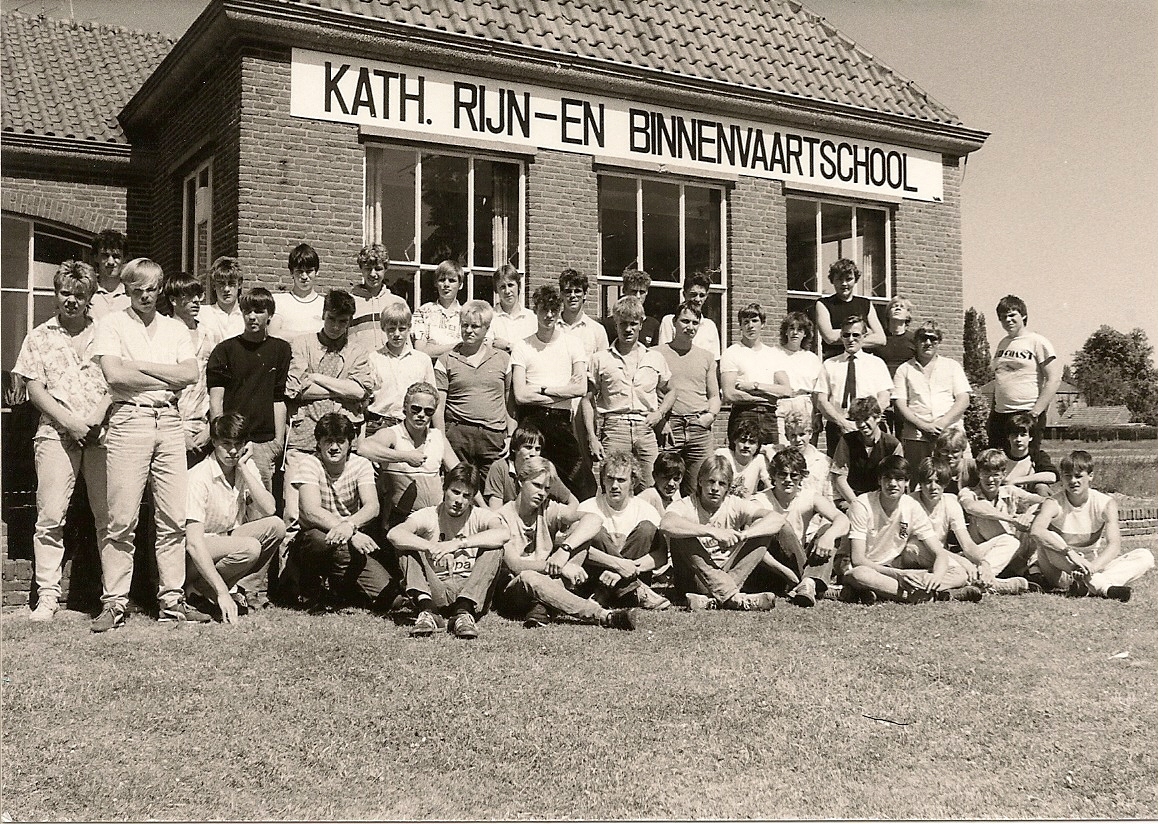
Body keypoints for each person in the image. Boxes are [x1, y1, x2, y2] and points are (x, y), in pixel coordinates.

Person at [91, 258, 207, 631]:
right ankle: (115, 602)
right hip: (129, 420)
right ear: (126, 289)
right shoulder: (111, 324)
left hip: (170, 422)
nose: (145, 295)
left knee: (173, 517)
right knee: (121, 517)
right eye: (137, 288)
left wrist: (139, 367)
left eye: (152, 288)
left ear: (161, 290)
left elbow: (188, 374)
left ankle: (172, 600)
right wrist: (164, 377)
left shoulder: (174, 329)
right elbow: (114, 374)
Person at [14, 261, 112, 621]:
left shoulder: (107, 334)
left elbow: (115, 383)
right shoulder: (40, 336)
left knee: (108, 518)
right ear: (56, 295)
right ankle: (48, 597)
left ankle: (113, 597)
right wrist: (70, 422)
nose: (71, 300)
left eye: (79, 294)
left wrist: (95, 419)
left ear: (90, 298)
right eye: (65, 293)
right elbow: (34, 389)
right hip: (56, 435)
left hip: (101, 434)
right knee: (51, 517)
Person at [496, 457, 636, 630]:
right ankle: (602, 615)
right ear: (520, 482)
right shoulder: (500, 517)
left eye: (547, 489)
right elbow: (516, 566)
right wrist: (561, 567)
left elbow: (593, 519)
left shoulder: (547, 508)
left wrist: (565, 549)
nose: (542, 493)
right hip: (514, 590)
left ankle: (542, 608)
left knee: (580, 535)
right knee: (529, 577)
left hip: (548, 581)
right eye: (536, 485)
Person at [283, 289, 378, 522]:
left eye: (342, 322)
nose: (336, 327)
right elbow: (295, 389)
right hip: (304, 437)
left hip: (342, 443)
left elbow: (360, 390)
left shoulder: (357, 351)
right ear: (323, 314)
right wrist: (344, 388)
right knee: (295, 513)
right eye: (331, 319)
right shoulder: (302, 344)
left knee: (342, 513)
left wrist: (317, 378)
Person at [285, 413, 396, 611]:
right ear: (318, 443)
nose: (334, 447)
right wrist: (350, 531)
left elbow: (372, 506)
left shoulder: (361, 464)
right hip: (316, 539)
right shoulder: (310, 463)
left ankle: (339, 589)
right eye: (328, 441)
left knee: (390, 598)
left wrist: (350, 526)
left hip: (348, 543)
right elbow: (310, 512)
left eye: (340, 441)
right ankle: (308, 587)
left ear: (349, 443)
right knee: (319, 540)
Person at [388, 463, 511, 639]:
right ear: (444, 488)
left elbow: (503, 533)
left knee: (495, 548)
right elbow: (395, 534)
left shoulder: (480, 515)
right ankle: (429, 611)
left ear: (472, 498)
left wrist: (457, 544)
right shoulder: (429, 515)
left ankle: (464, 612)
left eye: (466, 496)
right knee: (405, 548)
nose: (459, 501)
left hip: (470, 589)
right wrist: (431, 546)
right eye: (455, 492)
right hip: (436, 588)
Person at [183, 414, 287, 621]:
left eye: (238, 444)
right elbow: (193, 543)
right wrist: (223, 592)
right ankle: (203, 588)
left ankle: (207, 589)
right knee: (249, 547)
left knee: (276, 526)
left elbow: (269, 509)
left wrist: (242, 467)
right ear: (214, 442)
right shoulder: (198, 477)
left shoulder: (243, 466)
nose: (232, 451)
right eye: (226, 444)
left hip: (227, 540)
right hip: (195, 554)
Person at [659, 455, 795, 611]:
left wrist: (744, 535)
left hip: (729, 572)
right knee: (682, 535)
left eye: (721, 483)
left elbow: (777, 519)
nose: (715, 488)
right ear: (700, 481)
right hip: (695, 579)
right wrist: (712, 532)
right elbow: (666, 524)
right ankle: (735, 597)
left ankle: (713, 599)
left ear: (728, 487)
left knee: (762, 532)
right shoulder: (686, 504)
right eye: (710, 481)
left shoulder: (734, 504)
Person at [842, 456, 981, 604]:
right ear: (879, 481)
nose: (893, 484)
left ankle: (885, 591)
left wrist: (936, 577)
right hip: (870, 568)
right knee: (858, 575)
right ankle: (930, 595)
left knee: (958, 572)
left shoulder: (912, 506)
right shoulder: (862, 505)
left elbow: (939, 553)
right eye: (887, 478)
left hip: (896, 566)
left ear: (907, 482)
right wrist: (898, 575)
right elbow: (858, 560)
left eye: (899, 479)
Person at [1029, 450, 1154, 601]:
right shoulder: (1053, 503)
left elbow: (1114, 545)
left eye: (1078, 476)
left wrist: (1092, 568)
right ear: (1062, 477)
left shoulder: (1105, 503)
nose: (1073, 481)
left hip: (1090, 566)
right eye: (1068, 476)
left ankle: (1086, 583)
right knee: (1050, 538)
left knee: (1144, 556)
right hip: (1061, 568)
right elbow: (1036, 531)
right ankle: (1103, 587)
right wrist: (1070, 553)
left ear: (1090, 476)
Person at [511, 283, 596, 500]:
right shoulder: (522, 346)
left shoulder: (573, 343)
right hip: (532, 422)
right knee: (531, 482)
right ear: (535, 310)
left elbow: (580, 388)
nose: (549, 315)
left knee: (583, 485)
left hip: (561, 422)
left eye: (553, 310)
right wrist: (562, 391)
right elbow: (521, 395)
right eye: (543, 309)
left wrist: (541, 389)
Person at [206, 287, 292, 494]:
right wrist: (221, 439)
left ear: (270, 315)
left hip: (263, 442)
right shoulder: (225, 350)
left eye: (259, 311)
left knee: (260, 504)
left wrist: (277, 442)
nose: (252, 317)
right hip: (232, 441)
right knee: (226, 496)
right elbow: (216, 400)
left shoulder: (281, 350)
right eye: (247, 311)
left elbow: (278, 397)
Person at [584, 296, 673, 487]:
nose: (628, 329)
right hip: (615, 428)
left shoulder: (654, 357)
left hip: (645, 429)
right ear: (615, 324)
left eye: (633, 324)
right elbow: (587, 400)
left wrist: (659, 413)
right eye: (623, 323)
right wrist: (592, 437)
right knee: (612, 486)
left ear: (641, 324)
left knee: (651, 487)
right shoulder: (600, 359)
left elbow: (671, 391)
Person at [913, 457, 1032, 596]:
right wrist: (964, 561)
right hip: (924, 555)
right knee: (915, 547)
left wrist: (984, 563)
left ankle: (983, 579)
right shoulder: (910, 502)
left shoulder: (950, 501)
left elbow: (967, 544)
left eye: (938, 482)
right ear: (920, 483)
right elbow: (927, 548)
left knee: (1010, 541)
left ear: (945, 483)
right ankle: (990, 584)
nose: (933, 487)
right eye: (928, 482)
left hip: (948, 558)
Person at [751, 448, 850, 607]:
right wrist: (786, 573)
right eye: (782, 474)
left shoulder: (809, 496)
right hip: (772, 568)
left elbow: (842, 520)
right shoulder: (759, 501)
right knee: (780, 524)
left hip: (797, 559)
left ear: (802, 477)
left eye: (794, 475)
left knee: (829, 528)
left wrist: (828, 537)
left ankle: (808, 583)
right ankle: (814, 584)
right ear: (773, 476)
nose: (788, 480)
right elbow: (753, 548)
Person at [577, 451, 672, 610]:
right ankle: (631, 590)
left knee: (647, 528)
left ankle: (606, 594)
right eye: (610, 478)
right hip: (596, 580)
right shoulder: (587, 507)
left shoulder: (645, 510)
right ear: (603, 480)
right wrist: (618, 565)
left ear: (632, 482)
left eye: (621, 480)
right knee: (595, 529)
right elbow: (578, 550)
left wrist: (623, 570)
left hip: (632, 578)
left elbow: (661, 556)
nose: (614, 486)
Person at [358, 381, 459, 528]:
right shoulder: (392, 434)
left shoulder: (438, 437)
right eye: (416, 409)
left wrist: (484, 508)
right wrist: (405, 457)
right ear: (405, 407)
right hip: (398, 521)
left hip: (434, 520)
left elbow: (461, 474)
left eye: (428, 411)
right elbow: (364, 448)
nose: (421, 415)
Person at [434, 300, 513, 481]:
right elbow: (439, 407)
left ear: (486, 328)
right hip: (458, 435)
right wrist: (441, 440)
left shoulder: (503, 359)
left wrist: (510, 435)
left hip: (493, 436)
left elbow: (510, 401)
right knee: (459, 489)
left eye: (475, 326)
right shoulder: (446, 360)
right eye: (465, 325)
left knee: (492, 492)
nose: (469, 331)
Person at [657, 301, 720, 496]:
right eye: (685, 321)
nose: (690, 327)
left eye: (694, 323)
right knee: (663, 485)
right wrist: (661, 421)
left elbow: (715, 396)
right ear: (674, 323)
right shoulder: (656, 354)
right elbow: (649, 392)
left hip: (698, 427)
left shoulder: (707, 357)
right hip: (669, 428)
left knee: (699, 487)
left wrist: (710, 416)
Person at [892, 320, 971, 476]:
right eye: (923, 338)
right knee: (919, 480)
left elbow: (964, 399)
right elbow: (900, 404)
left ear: (939, 342)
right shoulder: (904, 369)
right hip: (917, 437)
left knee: (959, 480)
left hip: (951, 436)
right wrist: (924, 426)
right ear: (916, 341)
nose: (928, 342)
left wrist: (942, 424)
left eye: (933, 338)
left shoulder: (952, 366)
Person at [160, 273, 221, 465]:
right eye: (189, 295)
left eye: (199, 295)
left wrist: (211, 429)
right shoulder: (162, 333)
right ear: (173, 300)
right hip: (169, 425)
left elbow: (217, 384)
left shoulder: (210, 335)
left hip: (202, 427)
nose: (196, 301)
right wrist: (179, 432)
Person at [987, 294, 1062, 452]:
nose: (1007, 320)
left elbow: (1053, 380)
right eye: (1003, 317)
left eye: (1012, 315)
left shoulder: (1037, 342)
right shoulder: (1003, 344)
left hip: (1025, 413)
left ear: (1023, 315)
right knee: (997, 463)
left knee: (1026, 462)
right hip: (1000, 414)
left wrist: (1034, 413)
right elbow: (1000, 380)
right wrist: (993, 410)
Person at [812, 314, 893, 458]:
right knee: (839, 472)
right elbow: (821, 400)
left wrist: (865, 421)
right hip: (839, 428)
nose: (850, 339)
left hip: (870, 428)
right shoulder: (829, 364)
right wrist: (842, 423)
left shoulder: (876, 363)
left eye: (855, 335)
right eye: (846, 335)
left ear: (864, 336)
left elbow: (884, 398)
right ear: (841, 336)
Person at [957, 448, 1045, 579]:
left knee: (1038, 518)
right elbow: (971, 507)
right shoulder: (969, 492)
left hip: (1012, 552)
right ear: (978, 473)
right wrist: (1012, 520)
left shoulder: (1010, 491)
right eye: (985, 474)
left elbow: (1047, 501)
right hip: (981, 552)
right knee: (1007, 537)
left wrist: (1028, 516)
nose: (990, 479)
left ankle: (1030, 570)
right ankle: (984, 576)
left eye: (996, 474)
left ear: (1004, 474)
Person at [721, 302, 792, 449]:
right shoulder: (732, 352)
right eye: (745, 322)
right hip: (744, 414)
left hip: (770, 416)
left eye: (754, 321)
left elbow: (786, 390)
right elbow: (729, 394)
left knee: (770, 461)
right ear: (740, 326)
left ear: (763, 324)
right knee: (742, 461)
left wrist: (754, 386)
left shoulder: (773, 354)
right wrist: (765, 397)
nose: (750, 326)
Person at [365, 301, 438, 437]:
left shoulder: (422, 360)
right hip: (379, 423)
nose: (396, 334)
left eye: (402, 329)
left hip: (411, 424)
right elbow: (367, 397)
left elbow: (431, 397)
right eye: (391, 329)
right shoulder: (373, 358)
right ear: (383, 328)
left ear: (409, 327)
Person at [483, 422, 577, 510]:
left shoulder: (544, 470)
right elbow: (495, 509)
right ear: (515, 448)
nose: (533, 453)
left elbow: (573, 502)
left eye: (537, 449)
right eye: (528, 447)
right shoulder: (500, 468)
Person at [830, 396, 904, 507]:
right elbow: (840, 478)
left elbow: (895, 480)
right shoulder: (847, 441)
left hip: (881, 500)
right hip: (851, 499)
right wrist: (856, 503)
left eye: (865, 419)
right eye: (857, 420)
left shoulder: (892, 445)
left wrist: (877, 505)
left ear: (877, 417)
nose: (861, 425)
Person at [814, 258, 885, 361]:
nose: (844, 284)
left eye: (848, 279)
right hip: (836, 362)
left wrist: (843, 336)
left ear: (855, 280)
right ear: (832, 281)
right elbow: (829, 337)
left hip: (862, 361)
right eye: (839, 279)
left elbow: (881, 339)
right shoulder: (824, 304)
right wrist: (865, 332)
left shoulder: (865, 303)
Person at [773, 312, 824, 446]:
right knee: (783, 449)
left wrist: (817, 416)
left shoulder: (812, 358)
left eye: (799, 330)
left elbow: (816, 390)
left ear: (805, 334)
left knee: (806, 449)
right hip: (783, 404)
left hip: (806, 405)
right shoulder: (774, 353)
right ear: (785, 332)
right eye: (791, 329)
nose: (795, 333)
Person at [349, 243, 407, 352]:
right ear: (361, 269)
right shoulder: (350, 301)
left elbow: (406, 342)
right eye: (368, 269)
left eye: (378, 268)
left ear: (385, 269)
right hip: (360, 366)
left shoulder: (397, 302)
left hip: (391, 365)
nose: (373, 274)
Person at [657, 272, 721, 360]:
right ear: (684, 294)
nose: (697, 299)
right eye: (693, 294)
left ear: (706, 297)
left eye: (702, 295)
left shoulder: (710, 326)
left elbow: (714, 360)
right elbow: (663, 355)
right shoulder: (669, 321)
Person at [271, 243, 325, 342]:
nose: (304, 276)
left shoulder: (325, 304)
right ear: (291, 272)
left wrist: (288, 334)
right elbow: (274, 334)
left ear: (317, 272)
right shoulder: (279, 301)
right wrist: (316, 335)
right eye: (299, 271)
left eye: (309, 271)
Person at [413, 260, 467, 358]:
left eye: (452, 280)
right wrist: (459, 345)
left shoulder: (467, 314)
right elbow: (421, 351)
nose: (446, 284)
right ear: (436, 283)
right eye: (442, 280)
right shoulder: (423, 312)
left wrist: (433, 347)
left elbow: (472, 350)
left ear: (460, 285)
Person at [1002, 411, 1058, 496]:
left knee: (1042, 487)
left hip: (1031, 499)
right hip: (1005, 496)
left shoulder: (1037, 456)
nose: (1018, 439)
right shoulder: (1000, 456)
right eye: (1014, 435)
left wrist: (1016, 480)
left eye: (1023, 435)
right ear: (1008, 437)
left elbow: (1052, 476)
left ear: (1030, 437)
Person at [781, 410, 832, 501]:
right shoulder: (781, 458)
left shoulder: (824, 462)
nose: (798, 439)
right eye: (793, 435)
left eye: (802, 434)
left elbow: (829, 495)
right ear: (786, 436)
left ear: (810, 433)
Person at [558, 268, 609, 358]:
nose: (572, 296)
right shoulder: (552, 327)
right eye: (568, 291)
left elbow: (603, 366)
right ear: (561, 294)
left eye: (577, 291)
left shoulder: (597, 330)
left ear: (585, 294)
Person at [602, 268, 661, 347]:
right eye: (634, 291)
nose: (638, 296)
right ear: (624, 290)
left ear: (647, 292)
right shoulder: (609, 324)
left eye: (642, 292)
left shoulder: (653, 324)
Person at [714, 419, 771, 498]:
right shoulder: (723, 455)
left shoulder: (760, 460)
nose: (746, 446)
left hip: (746, 505)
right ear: (735, 440)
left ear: (758, 445)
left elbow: (770, 487)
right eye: (742, 440)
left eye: (752, 442)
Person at [489, 264, 537, 353]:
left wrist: (508, 346)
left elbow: (535, 352)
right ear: (496, 290)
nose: (507, 291)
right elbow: (488, 349)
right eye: (502, 287)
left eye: (510, 285)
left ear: (519, 286)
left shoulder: (532, 318)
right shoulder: (490, 317)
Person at [198, 256, 245, 343]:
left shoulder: (246, 316)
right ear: (214, 285)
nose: (226, 289)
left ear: (240, 284)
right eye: (221, 284)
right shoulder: (202, 314)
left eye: (231, 283)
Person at [87, 229, 129, 320]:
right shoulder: (87, 292)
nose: (111, 262)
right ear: (95, 257)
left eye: (116, 256)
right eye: (105, 256)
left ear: (124, 258)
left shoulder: (131, 294)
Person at [877, 295, 917, 377]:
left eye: (902, 307)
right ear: (888, 313)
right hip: (883, 381)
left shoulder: (914, 339)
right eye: (894, 306)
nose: (897, 308)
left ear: (908, 315)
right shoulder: (880, 338)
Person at [933, 428, 976, 494]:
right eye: (945, 451)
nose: (950, 455)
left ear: (962, 451)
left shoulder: (972, 466)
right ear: (939, 450)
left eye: (955, 451)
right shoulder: (934, 468)